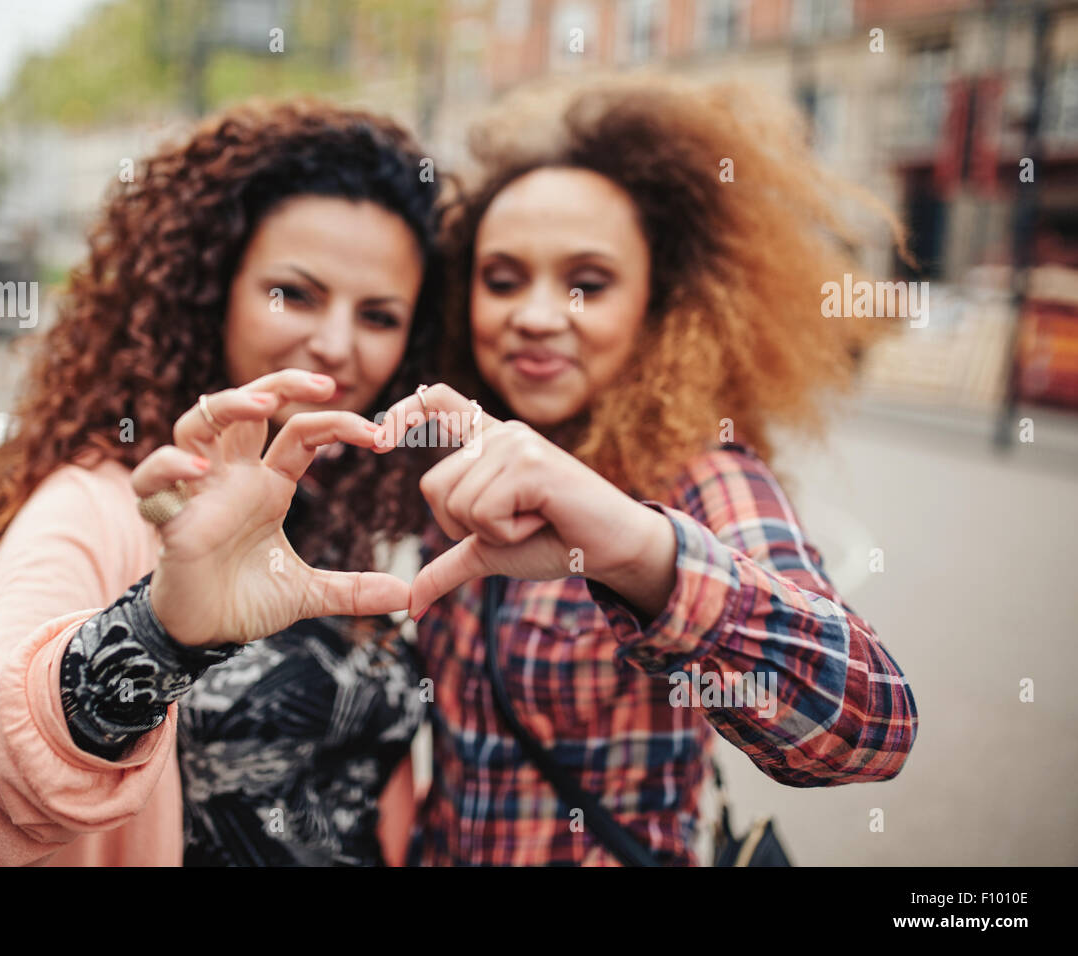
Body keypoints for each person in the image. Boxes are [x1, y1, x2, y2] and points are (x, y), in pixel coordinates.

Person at [368, 74, 919, 865]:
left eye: (587, 283)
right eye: (503, 278)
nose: (536, 314)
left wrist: (639, 551)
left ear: (661, 306)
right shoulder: (456, 448)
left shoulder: (699, 473)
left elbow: (867, 727)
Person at [0, 99, 443, 866]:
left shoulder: (352, 498)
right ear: (210, 289)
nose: (337, 345)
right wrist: (155, 636)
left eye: (379, 315)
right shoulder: (99, 506)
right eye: (296, 294)